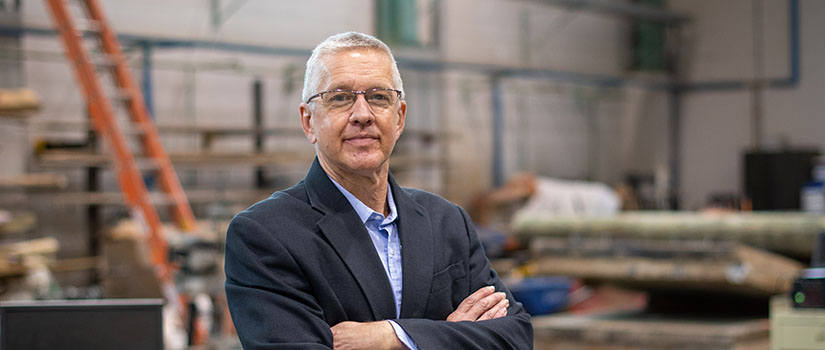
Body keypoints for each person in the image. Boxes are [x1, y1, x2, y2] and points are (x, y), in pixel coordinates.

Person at [224, 31, 533, 349]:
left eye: (379, 97)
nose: (362, 114)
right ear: (308, 122)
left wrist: (395, 337)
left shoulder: (447, 222)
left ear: (399, 118)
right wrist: (450, 335)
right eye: (340, 98)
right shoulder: (265, 235)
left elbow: (515, 336)